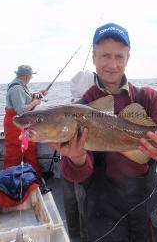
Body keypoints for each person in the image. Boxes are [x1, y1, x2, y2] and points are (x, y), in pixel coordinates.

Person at [52, 23, 157, 241]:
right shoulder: (80, 107)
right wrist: (77, 159)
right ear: (93, 57)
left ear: (127, 58)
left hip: (148, 211)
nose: (112, 64)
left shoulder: (148, 98)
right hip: (104, 217)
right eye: (105, 55)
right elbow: (72, 174)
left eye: (119, 56)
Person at [63, 70, 94, 241]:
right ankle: (83, 238)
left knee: (70, 203)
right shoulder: (89, 107)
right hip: (80, 161)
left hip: (65, 163)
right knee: (83, 204)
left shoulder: (67, 105)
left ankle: (73, 236)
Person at [3, 65, 47, 178]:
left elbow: (27, 97)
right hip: (15, 124)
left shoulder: (21, 86)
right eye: (31, 76)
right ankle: (9, 180)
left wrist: (39, 94)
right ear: (26, 76)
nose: (31, 78)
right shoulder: (16, 88)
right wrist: (35, 103)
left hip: (23, 124)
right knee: (14, 153)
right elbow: (21, 110)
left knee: (28, 148)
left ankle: (34, 177)